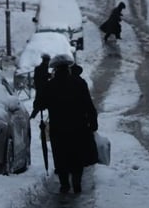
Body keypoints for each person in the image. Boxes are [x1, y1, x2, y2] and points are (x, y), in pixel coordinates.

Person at [31, 55, 98, 193]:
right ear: (68, 68)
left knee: (60, 155)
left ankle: (64, 184)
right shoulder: (79, 83)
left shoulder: (50, 86)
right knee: (76, 154)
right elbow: (88, 104)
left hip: (58, 128)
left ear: (55, 69)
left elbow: (39, 104)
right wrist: (93, 122)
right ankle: (76, 182)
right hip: (78, 126)